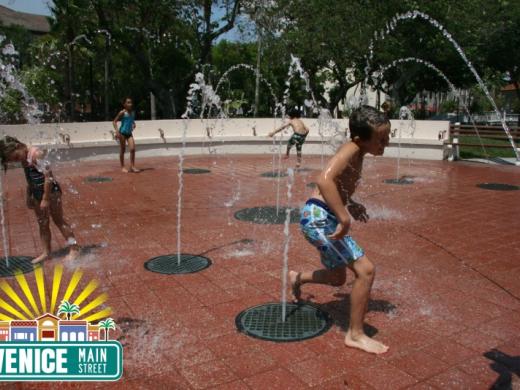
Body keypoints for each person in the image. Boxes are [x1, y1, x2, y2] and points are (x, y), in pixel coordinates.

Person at [291, 106, 390, 354]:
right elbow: (324, 180)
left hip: (320, 216)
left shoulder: (359, 151)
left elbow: (339, 184)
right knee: (365, 271)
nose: (386, 143)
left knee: (337, 278)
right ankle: (355, 334)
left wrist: (350, 204)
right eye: (381, 139)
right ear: (360, 138)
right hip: (319, 217)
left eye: (388, 137)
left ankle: (297, 277)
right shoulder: (351, 148)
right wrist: (344, 218)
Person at [0, 136, 80, 264]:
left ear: (17, 146)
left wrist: (46, 198)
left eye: (15, 157)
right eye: (13, 160)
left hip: (51, 193)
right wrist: (29, 195)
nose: (17, 160)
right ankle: (46, 252)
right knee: (42, 223)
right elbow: (29, 178)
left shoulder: (36, 154)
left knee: (58, 220)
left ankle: (75, 248)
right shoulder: (23, 157)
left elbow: (48, 177)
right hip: (36, 193)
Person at [113, 97, 140, 173]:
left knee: (132, 149)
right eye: (128, 102)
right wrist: (117, 131)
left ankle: (132, 166)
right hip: (122, 133)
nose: (130, 104)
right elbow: (114, 121)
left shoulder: (132, 112)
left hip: (129, 133)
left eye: (131, 102)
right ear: (124, 104)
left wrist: (134, 124)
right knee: (123, 149)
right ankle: (122, 167)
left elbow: (131, 120)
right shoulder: (122, 112)